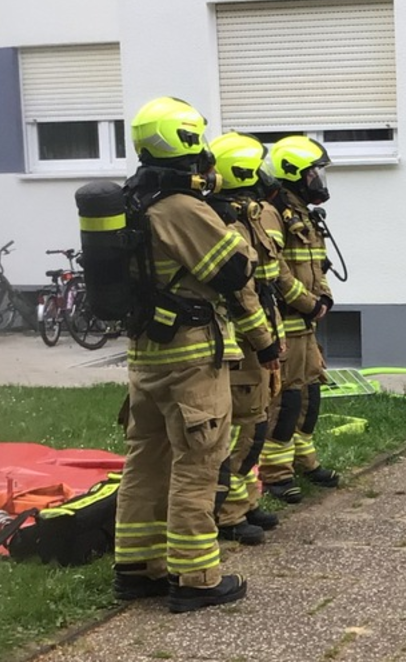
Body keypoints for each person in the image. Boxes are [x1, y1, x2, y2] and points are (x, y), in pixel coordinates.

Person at [111, 97, 279, 613]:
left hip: (147, 355)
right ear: (184, 140)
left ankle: (136, 568)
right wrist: (227, 223)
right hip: (190, 357)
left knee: (146, 459)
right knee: (197, 462)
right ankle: (197, 577)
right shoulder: (181, 208)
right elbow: (233, 271)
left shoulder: (133, 201)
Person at [205, 131, 318, 543]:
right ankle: (229, 515)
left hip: (265, 330)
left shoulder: (249, 215)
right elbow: (243, 289)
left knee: (255, 425)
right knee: (243, 429)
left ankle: (245, 503)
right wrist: (265, 338)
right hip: (245, 340)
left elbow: (272, 274)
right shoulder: (229, 222)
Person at [257, 135, 338, 503]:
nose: (319, 180)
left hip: (307, 325)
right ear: (294, 173)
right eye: (314, 173)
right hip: (287, 324)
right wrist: (307, 303)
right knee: (286, 401)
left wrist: (324, 298)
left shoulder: (303, 214)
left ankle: (305, 460)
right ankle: (275, 472)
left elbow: (317, 265)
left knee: (311, 397)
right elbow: (273, 270)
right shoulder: (271, 214)